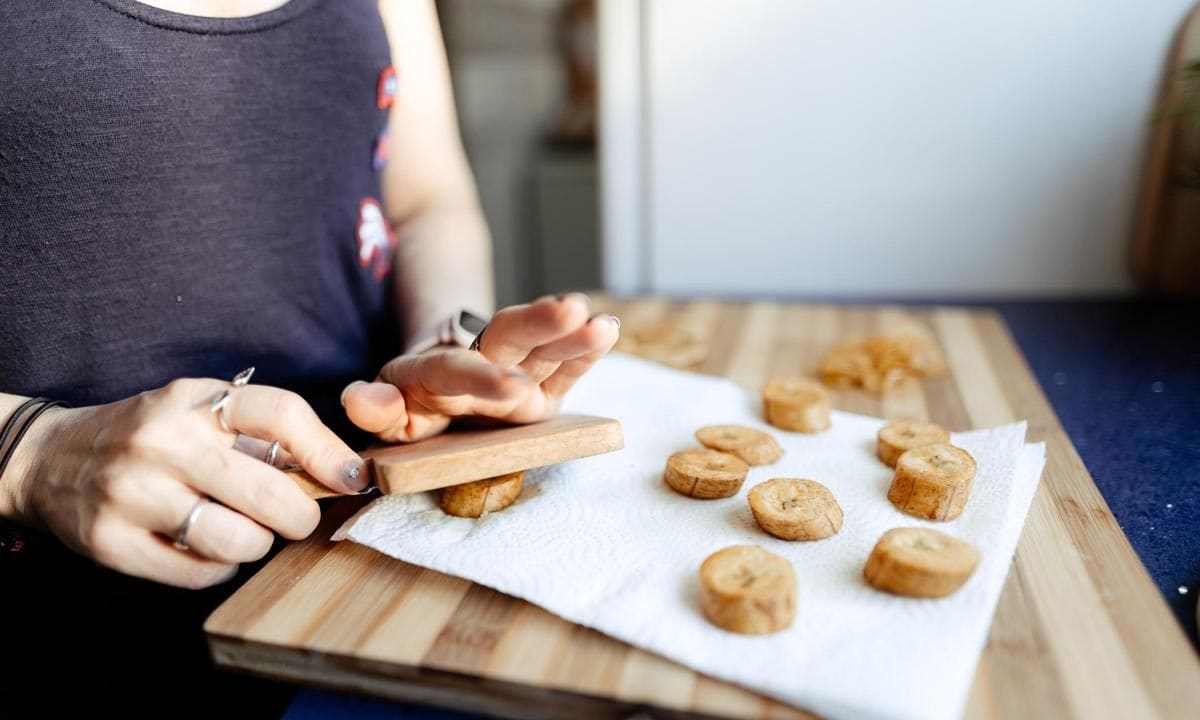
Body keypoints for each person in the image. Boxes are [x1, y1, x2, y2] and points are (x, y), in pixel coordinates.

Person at [0, 0, 616, 713]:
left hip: (366, 593)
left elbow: (424, 203)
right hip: (47, 626)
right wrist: (32, 453)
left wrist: (444, 344)